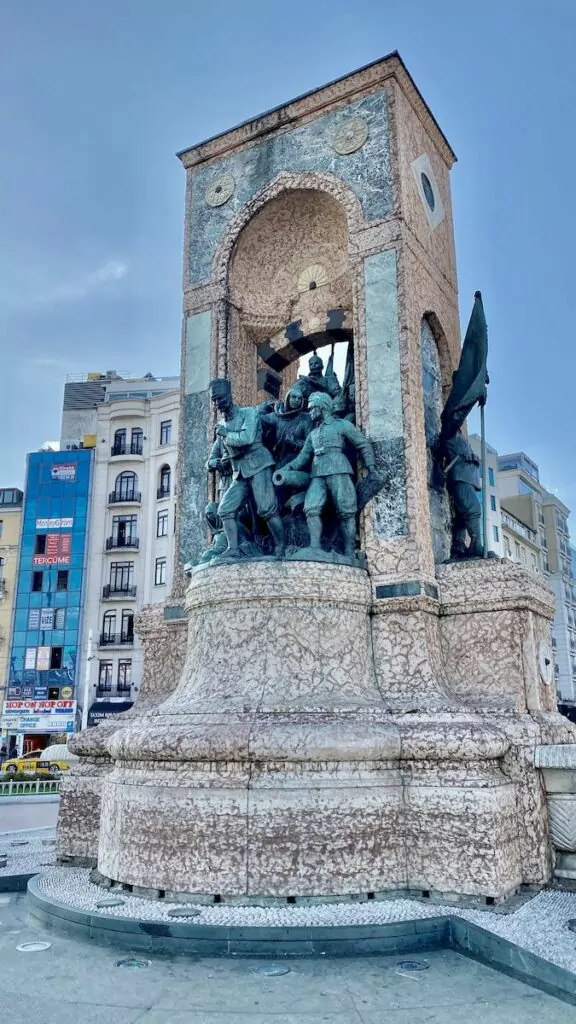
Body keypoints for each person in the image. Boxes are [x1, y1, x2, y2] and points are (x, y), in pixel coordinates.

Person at [283, 392, 376, 556]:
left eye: (312, 408)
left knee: (346, 511)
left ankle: (348, 551)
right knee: (311, 508)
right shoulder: (313, 434)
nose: (310, 412)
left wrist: (371, 466)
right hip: (317, 473)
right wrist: (286, 469)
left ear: (321, 407)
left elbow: (363, 444)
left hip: (339, 469)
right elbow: (303, 457)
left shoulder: (342, 425)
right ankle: (315, 547)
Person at [209, 378, 285, 559]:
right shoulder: (221, 426)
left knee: (267, 508)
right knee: (225, 510)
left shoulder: (249, 413)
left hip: (259, 464)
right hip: (240, 472)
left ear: (229, 397)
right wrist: (217, 461)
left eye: (221, 398)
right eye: (215, 400)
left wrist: (226, 434)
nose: (219, 403)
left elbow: (248, 437)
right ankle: (233, 549)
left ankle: (281, 546)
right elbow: (215, 454)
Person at [438, 430, 483, 559]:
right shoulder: (450, 428)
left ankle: (458, 546)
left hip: (465, 477)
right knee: (473, 509)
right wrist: (469, 407)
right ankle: (476, 545)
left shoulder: (459, 437)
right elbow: (455, 412)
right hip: (459, 477)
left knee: (461, 517)